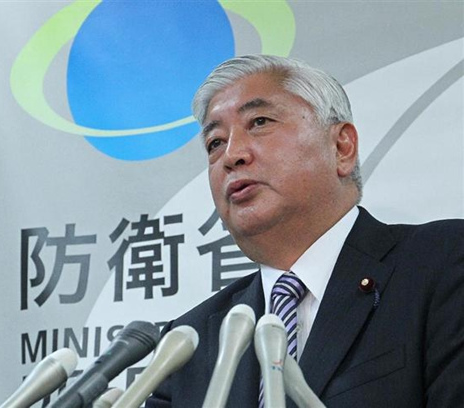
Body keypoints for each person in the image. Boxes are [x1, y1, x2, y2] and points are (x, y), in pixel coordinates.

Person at [145, 55, 464, 407]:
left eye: (259, 122)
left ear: (341, 147)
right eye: (215, 143)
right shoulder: (188, 344)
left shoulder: (443, 262)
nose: (232, 155)